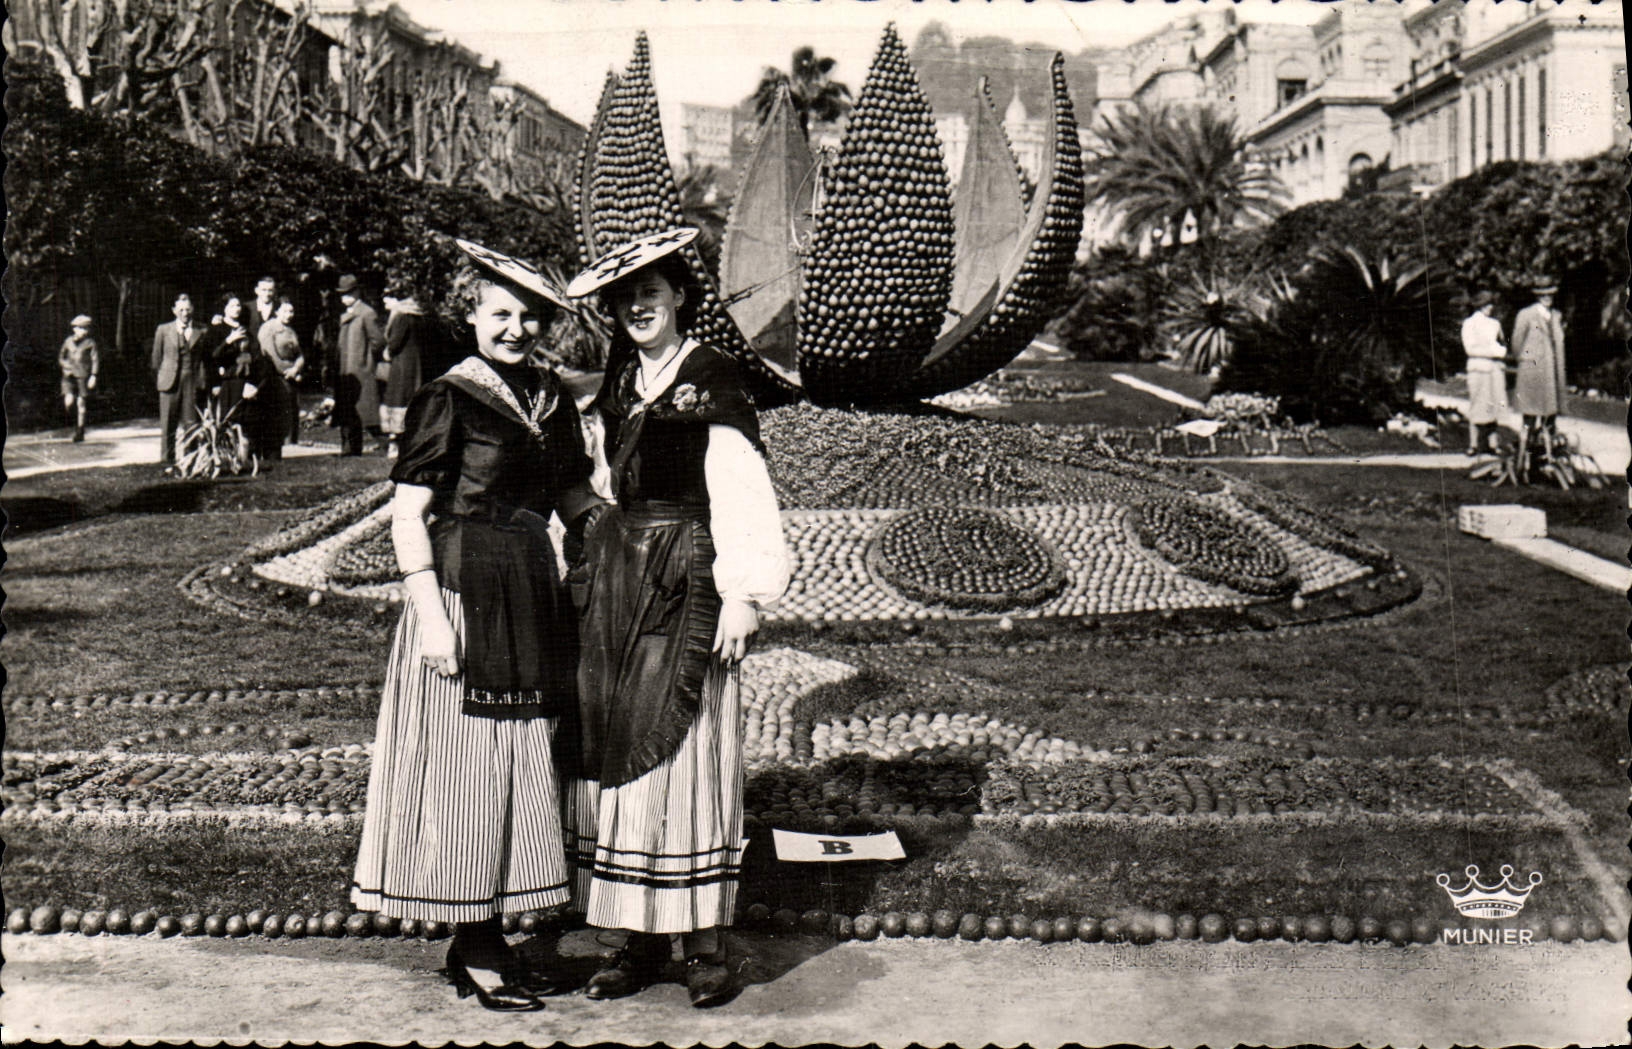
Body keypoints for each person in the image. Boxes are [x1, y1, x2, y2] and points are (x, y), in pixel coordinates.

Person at [350, 240, 605, 1012]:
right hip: (462, 601)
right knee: (469, 773)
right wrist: (432, 620)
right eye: (500, 314)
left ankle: (491, 936)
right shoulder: (449, 396)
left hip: (527, 594)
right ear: (472, 316)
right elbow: (409, 515)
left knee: (519, 764)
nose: (516, 329)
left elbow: (572, 495)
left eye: (529, 317)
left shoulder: (549, 398)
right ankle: (476, 943)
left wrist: (624, 537)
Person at [564, 228, 791, 1009]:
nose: (638, 306)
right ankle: (629, 938)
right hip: (624, 580)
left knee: (688, 750)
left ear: (680, 296)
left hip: (690, 576)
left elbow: (740, 486)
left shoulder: (711, 376)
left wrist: (743, 593)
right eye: (625, 297)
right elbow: (604, 480)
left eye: (651, 292)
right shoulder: (621, 380)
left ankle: (701, 944)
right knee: (622, 749)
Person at [379, 283, 436, 459]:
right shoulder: (419, 315)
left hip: (402, 366)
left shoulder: (401, 316)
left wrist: (387, 352)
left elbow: (394, 343)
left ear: (398, 299)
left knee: (398, 400)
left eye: (388, 297)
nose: (385, 301)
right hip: (417, 364)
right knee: (412, 400)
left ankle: (395, 444)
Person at [1511, 278, 1567, 450]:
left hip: (1552, 372)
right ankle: (1524, 451)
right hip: (1533, 371)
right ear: (1537, 296)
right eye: (1543, 295)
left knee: (1550, 415)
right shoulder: (1526, 314)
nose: (1547, 298)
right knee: (1530, 414)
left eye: (1550, 294)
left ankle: (1546, 451)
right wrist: (1526, 360)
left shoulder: (1556, 316)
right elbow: (1517, 342)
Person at [333, 273, 385, 456]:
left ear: (357, 292)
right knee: (347, 410)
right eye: (342, 294)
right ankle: (350, 448)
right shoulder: (346, 314)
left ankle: (386, 445)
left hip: (361, 369)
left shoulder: (366, 313)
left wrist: (366, 359)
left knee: (366, 412)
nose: (344, 297)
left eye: (348, 293)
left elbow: (378, 341)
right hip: (345, 370)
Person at [153, 293, 205, 465]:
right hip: (169, 382)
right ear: (174, 310)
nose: (185, 313)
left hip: (191, 381)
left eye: (188, 309)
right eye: (181, 310)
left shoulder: (201, 330)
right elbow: (156, 359)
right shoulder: (163, 330)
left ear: (193, 309)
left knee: (191, 423)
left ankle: (191, 462)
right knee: (168, 423)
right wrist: (163, 377)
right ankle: (167, 462)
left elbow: (204, 359)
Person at [254, 297, 305, 460]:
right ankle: (270, 455)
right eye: (285, 311)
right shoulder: (268, 328)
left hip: (290, 377)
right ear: (276, 311)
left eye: (291, 311)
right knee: (273, 416)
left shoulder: (291, 331)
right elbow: (270, 355)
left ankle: (282, 453)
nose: (289, 315)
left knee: (287, 416)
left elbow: (300, 354)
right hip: (273, 378)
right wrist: (287, 371)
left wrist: (296, 369)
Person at [1460, 290, 1507, 456]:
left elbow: (1502, 345)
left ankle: (1493, 444)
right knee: (1477, 405)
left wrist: (1499, 351)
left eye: (1490, 304)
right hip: (1478, 369)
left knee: (1494, 406)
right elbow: (1470, 349)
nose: (1489, 307)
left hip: (1494, 369)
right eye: (1485, 304)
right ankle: (1473, 444)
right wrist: (1493, 351)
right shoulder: (1469, 324)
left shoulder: (1495, 324)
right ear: (1478, 305)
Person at [198, 292, 254, 415]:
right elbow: (210, 358)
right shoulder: (216, 330)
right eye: (232, 306)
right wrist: (229, 340)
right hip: (224, 382)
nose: (236, 309)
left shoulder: (244, 330)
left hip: (242, 380)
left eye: (238, 305)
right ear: (224, 309)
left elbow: (254, 354)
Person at [58, 314, 99, 443]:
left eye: (86, 328)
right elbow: (61, 357)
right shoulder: (68, 341)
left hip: (83, 375)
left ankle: (80, 431)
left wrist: (93, 375)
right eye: (81, 328)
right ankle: (73, 422)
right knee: (69, 402)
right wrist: (66, 365)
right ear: (74, 329)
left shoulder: (90, 343)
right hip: (68, 375)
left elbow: (95, 360)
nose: (84, 331)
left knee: (81, 403)